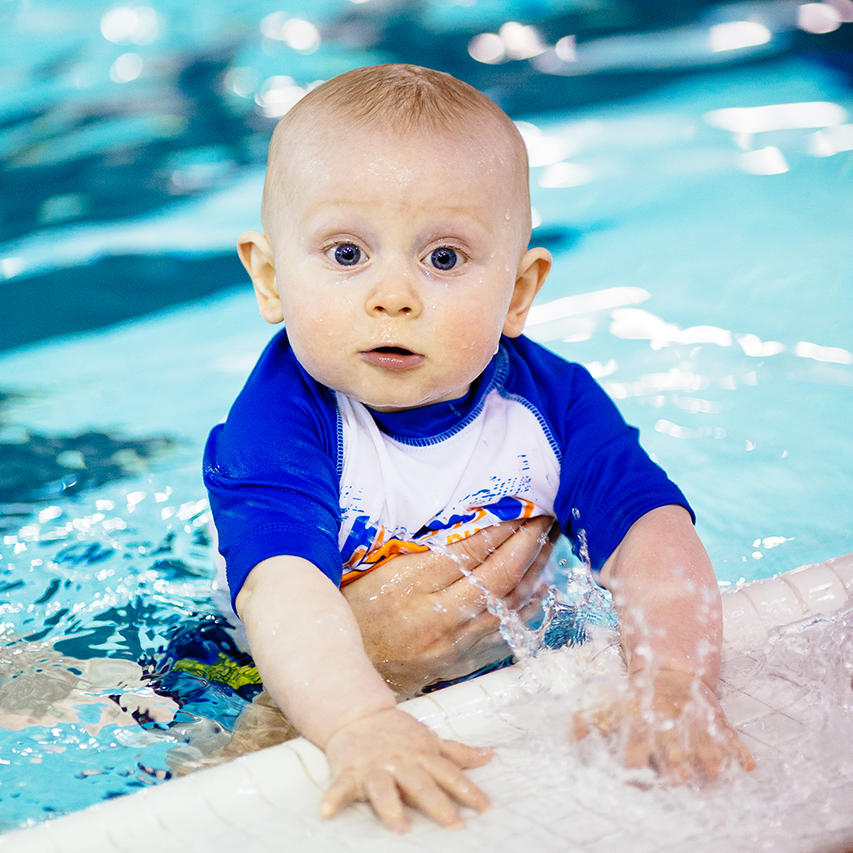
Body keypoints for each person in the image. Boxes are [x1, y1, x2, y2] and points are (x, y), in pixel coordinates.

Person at [203, 63, 753, 833]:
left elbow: (652, 532)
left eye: (444, 259)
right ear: (269, 278)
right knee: (215, 779)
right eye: (346, 253)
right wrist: (359, 720)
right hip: (255, 670)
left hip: (491, 664)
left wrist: (670, 675)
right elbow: (283, 589)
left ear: (519, 293)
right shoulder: (282, 423)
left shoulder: (551, 404)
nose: (392, 295)